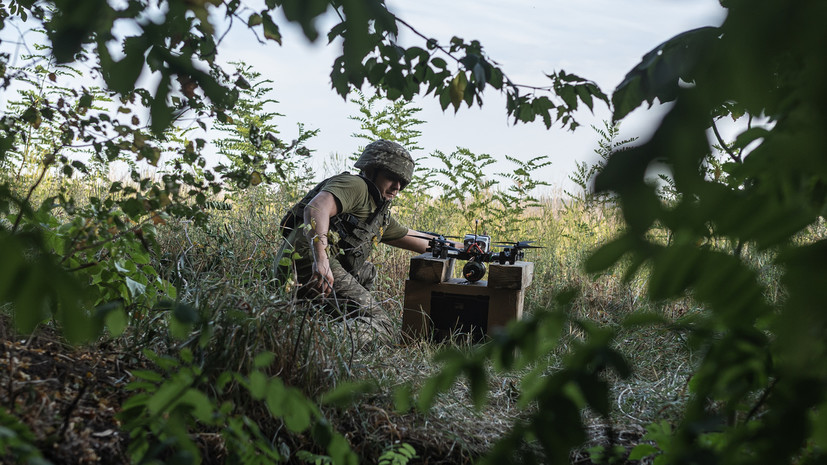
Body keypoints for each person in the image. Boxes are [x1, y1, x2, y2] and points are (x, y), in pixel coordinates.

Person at [276, 140, 436, 340]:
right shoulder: (356, 185)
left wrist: (468, 247)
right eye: (391, 178)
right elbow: (316, 208)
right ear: (370, 170)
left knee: (366, 271)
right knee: (383, 327)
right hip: (308, 261)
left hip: (309, 267)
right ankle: (315, 341)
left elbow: (421, 240)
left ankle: (319, 321)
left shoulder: (376, 212)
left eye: (402, 183)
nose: (396, 187)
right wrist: (321, 259)